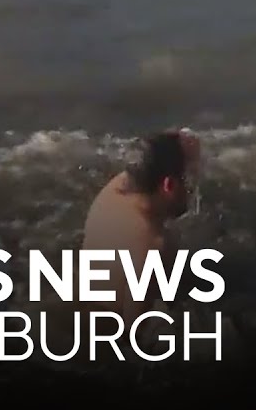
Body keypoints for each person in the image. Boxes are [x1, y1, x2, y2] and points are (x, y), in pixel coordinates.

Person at [80, 129, 202, 331]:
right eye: (189, 182)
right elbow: (134, 335)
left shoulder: (117, 189)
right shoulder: (150, 248)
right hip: (107, 327)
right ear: (169, 185)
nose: (193, 190)